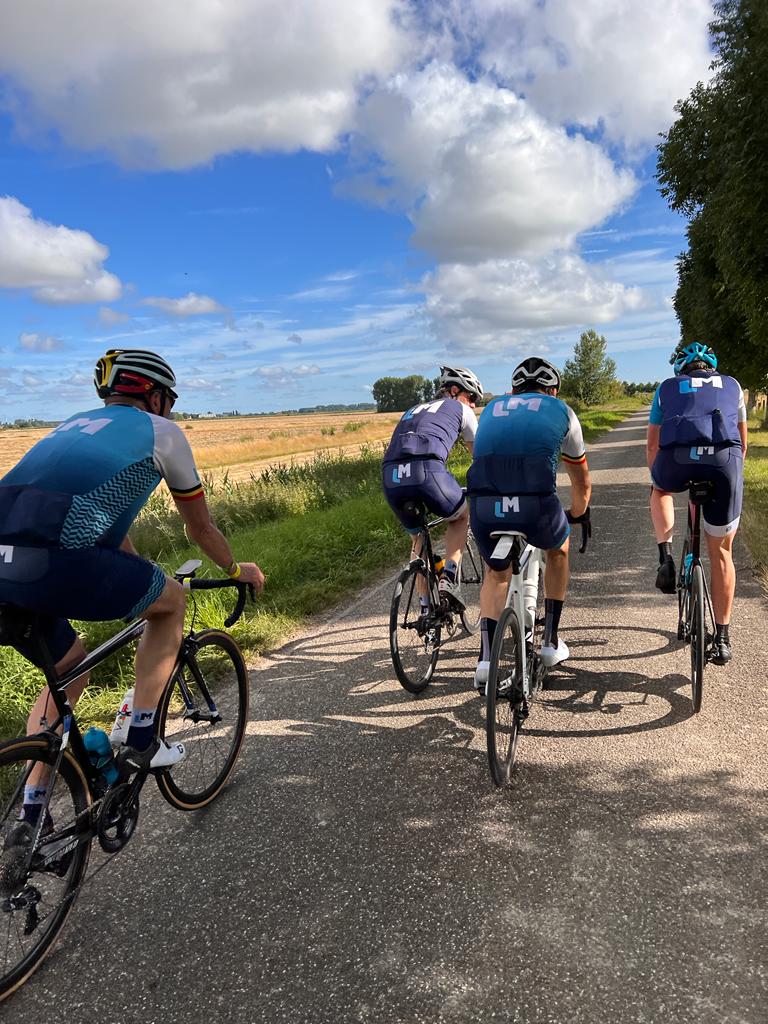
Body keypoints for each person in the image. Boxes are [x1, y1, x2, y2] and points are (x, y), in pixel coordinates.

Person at [0, 349, 265, 827]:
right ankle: (144, 738)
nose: (172, 410)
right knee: (172, 601)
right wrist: (233, 569)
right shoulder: (161, 432)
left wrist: (140, 574)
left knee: (68, 669)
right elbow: (201, 529)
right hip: (61, 562)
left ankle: (30, 815)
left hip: (4, 565)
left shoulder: (71, 425)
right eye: (171, 400)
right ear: (155, 396)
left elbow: (101, 519)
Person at [467, 357, 591, 691]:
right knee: (558, 549)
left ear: (513, 390)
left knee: (496, 572)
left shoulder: (491, 409)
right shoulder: (562, 410)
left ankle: (486, 660)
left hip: (485, 505)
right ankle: (550, 642)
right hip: (536, 506)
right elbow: (581, 481)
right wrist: (578, 513)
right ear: (552, 391)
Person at [647, 342, 747, 664]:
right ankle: (722, 638)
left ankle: (665, 557)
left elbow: (653, 446)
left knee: (660, 490)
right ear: (711, 368)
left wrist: (658, 478)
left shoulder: (667, 388)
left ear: (681, 369)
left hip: (677, 461)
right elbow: (742, 444)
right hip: (723, 463)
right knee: (722, 552)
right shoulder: (732, 386)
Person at [382, 366, 482, 608]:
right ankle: (450, 577)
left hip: (390, 476)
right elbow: (480, 458)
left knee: (418, 539)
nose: (473, 405)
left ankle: (425, 607)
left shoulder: (412, 410)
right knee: (460, 517)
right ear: (454, 390)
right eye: (471, 397)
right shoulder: (462, 410)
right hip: (427, 471)